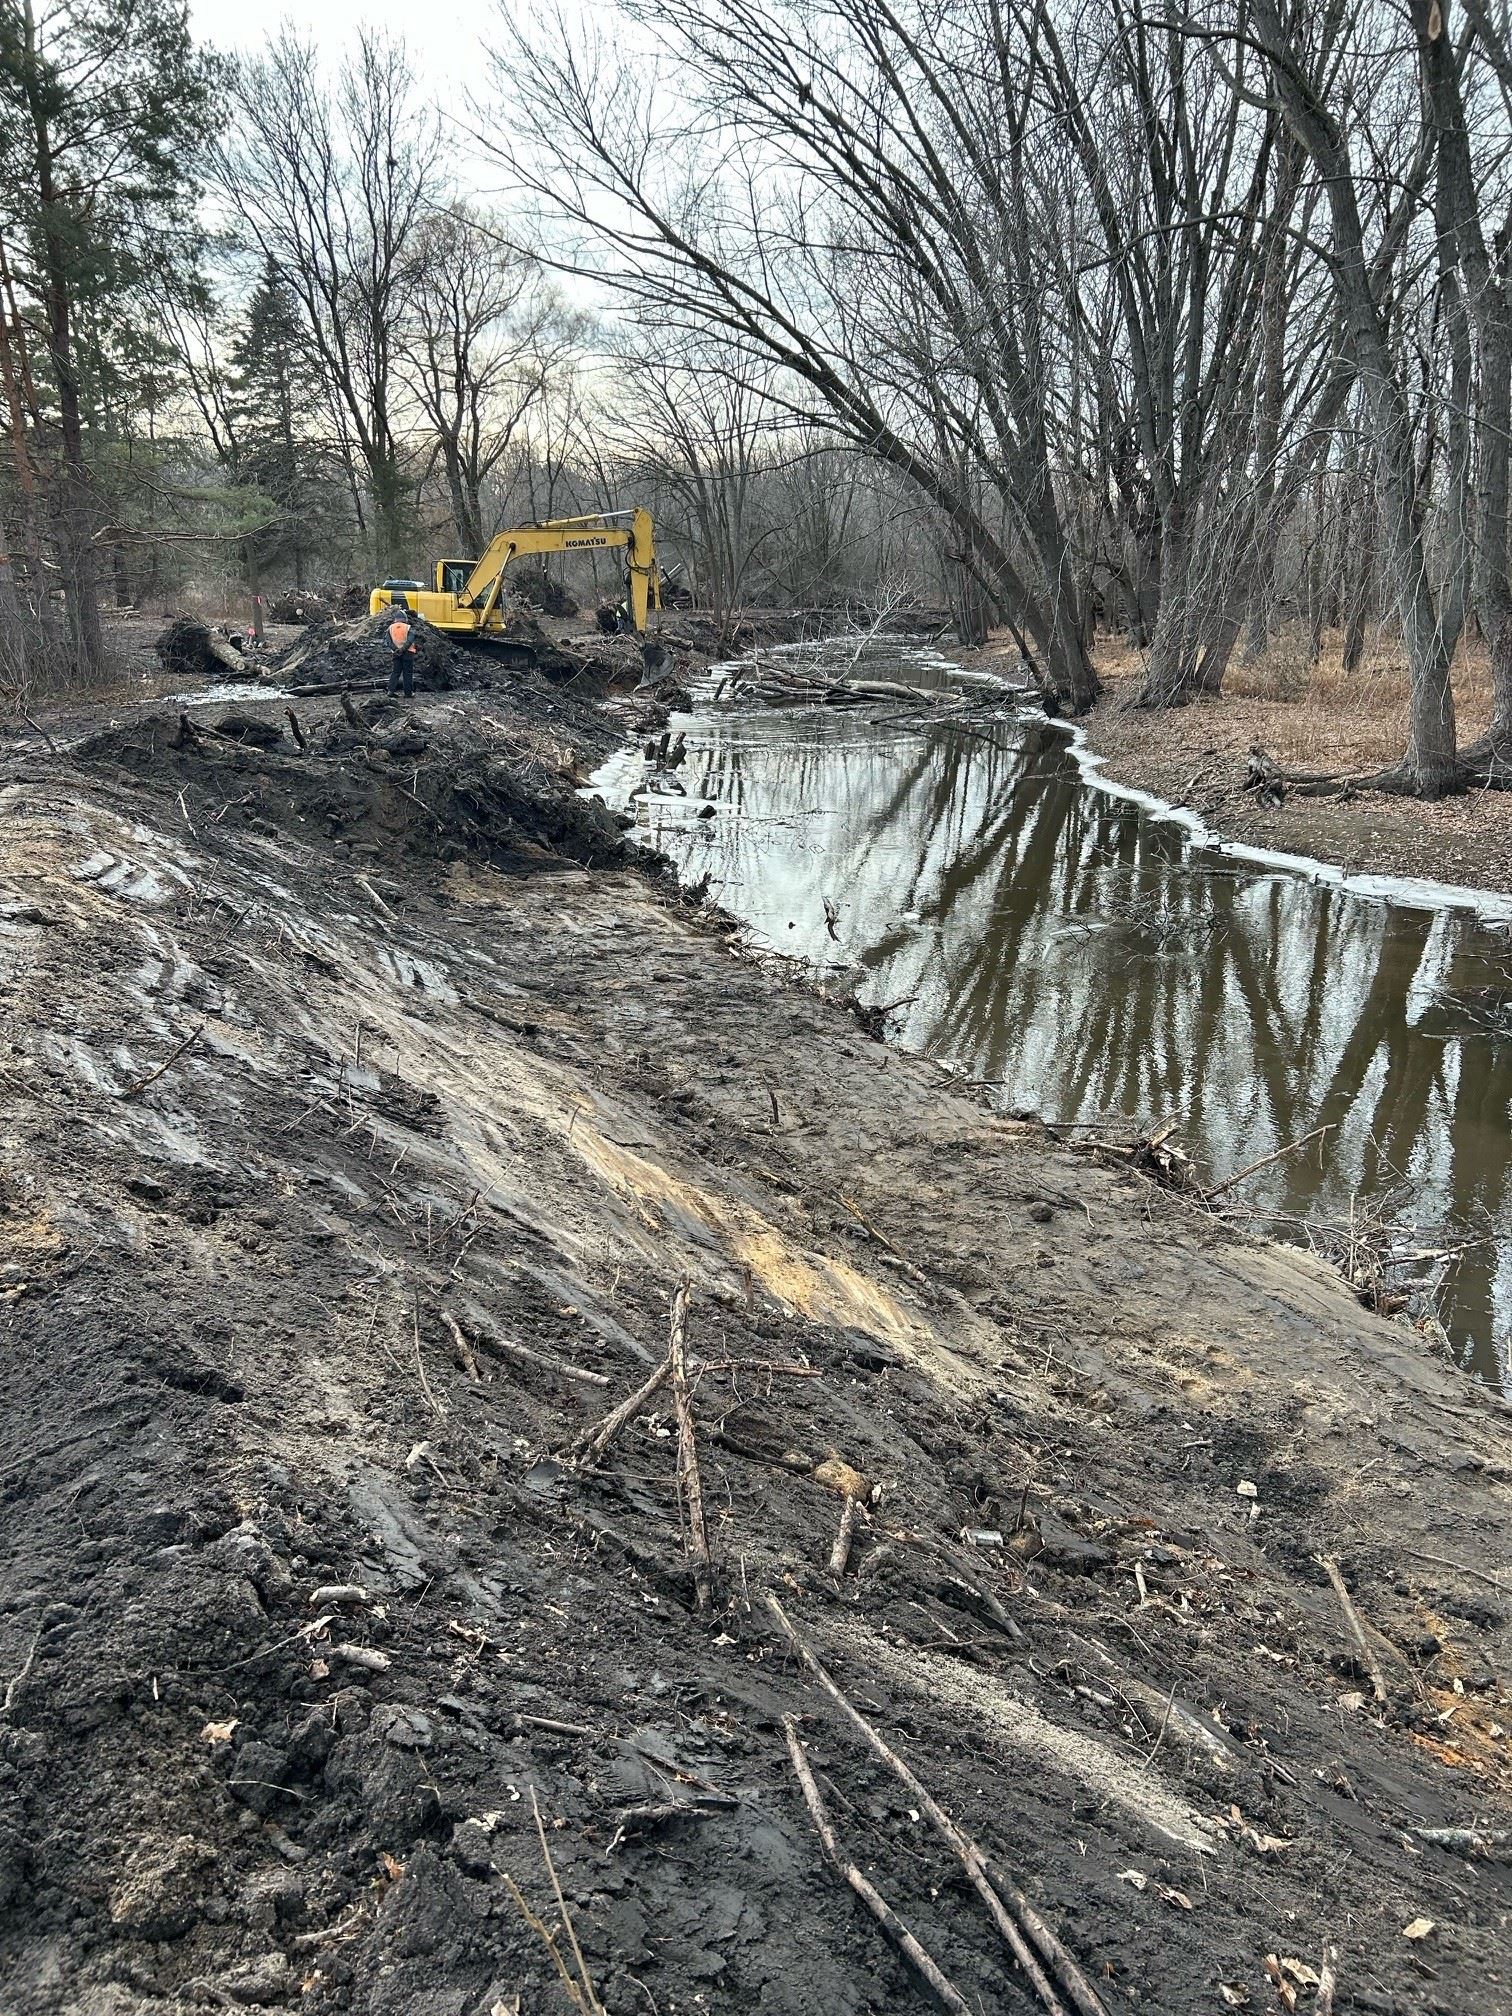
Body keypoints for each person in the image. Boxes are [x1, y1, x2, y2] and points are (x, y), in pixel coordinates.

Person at [386, 595, 421, 699]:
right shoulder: (408, 627)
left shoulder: (390, 628)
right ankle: (408, 693)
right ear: (404, 618)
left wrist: (396, 650)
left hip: (396, 654)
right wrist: (403, 649)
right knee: (407, 673)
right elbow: (410, 640)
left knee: (395, 672)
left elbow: (388, 641)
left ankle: (390, 691)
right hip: (408, 653)